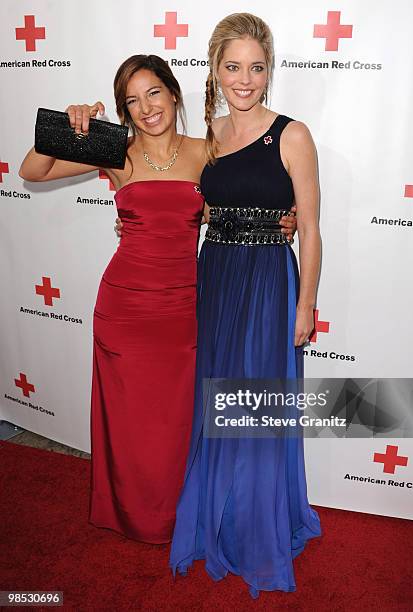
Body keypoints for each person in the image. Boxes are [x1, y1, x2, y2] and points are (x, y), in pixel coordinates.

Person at [19, 54, 296, 544]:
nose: (146, 108)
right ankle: (134, 516)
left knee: (174, 425)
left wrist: (278, 220)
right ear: (124, 112)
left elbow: (225, 206)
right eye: (132, 101)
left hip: (185, 309)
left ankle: (178, 518)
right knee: (131, 427)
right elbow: (33, 170)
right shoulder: (115, 150)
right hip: (124, 309)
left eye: (153, 93)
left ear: (173, 94)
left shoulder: (205, 150)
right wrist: (71, 125)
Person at [169, 13, 322, 597]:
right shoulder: (206, 138)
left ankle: (257, 525)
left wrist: (305, 306)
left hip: (268, 284)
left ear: (269, 71)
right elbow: (191, 205)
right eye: (233, 66)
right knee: (216, 400)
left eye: (256, 67)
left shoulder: (292, 134)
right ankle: (219, 517)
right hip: (216, 279)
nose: (245, 78)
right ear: (215, 68)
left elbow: (309, 228)